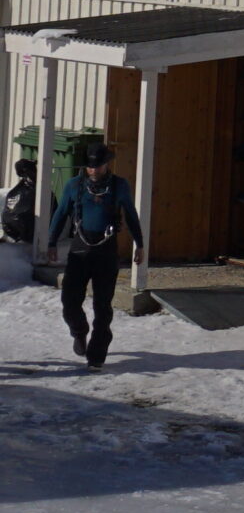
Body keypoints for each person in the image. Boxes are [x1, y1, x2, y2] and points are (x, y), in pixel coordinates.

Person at [47, 140, 144, 370]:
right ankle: (79, 331)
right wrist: (51, 242)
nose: (94, 170)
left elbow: (130, 214)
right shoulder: (74, 185)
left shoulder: (119, 186)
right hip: (80, 247)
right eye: (90, 166)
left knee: (103, 305)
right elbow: (61, 214)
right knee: (69, 300)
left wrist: (139, 244)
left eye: (98, 166)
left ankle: (97, 354)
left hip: (106, 249)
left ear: (106, 165)